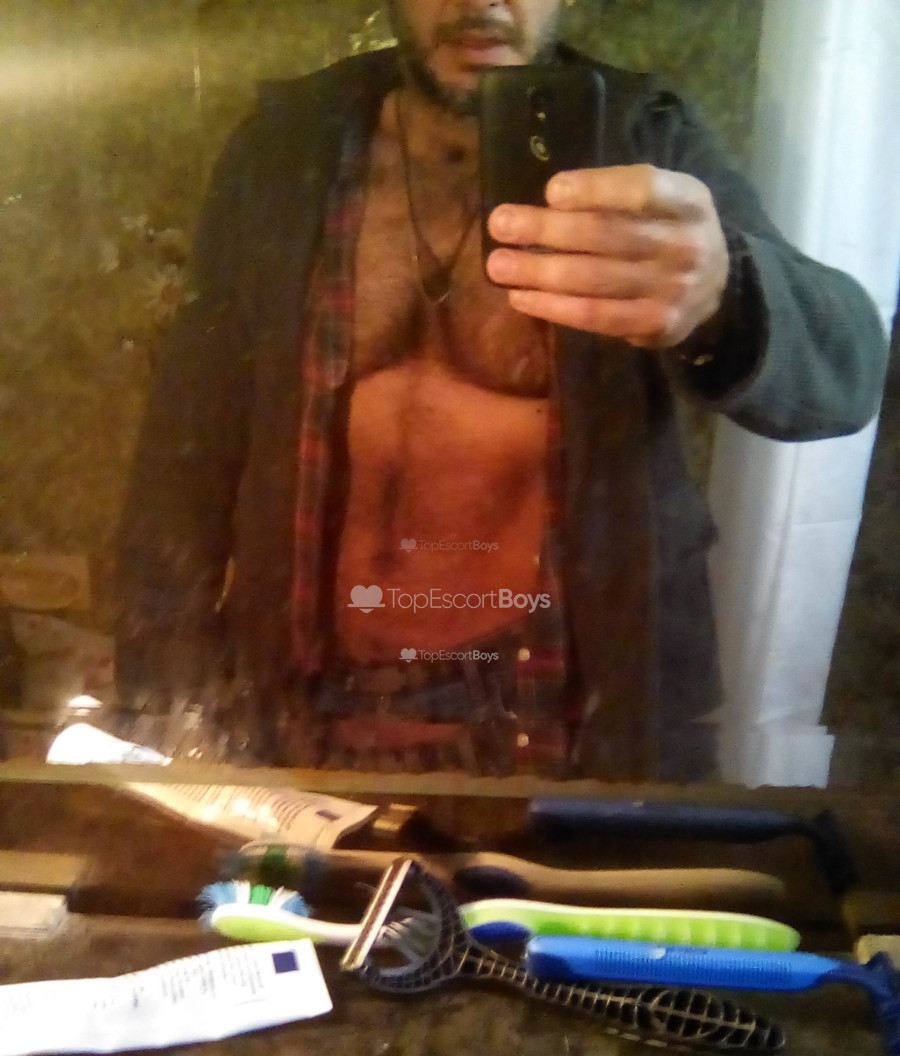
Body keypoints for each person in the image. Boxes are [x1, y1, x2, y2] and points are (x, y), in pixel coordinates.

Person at [115, 0, 887, 781]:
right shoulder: (285, 150)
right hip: (300, 714)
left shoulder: (641, 139)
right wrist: (160, 685)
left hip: (559, 720)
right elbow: (187, 444)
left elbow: (849, 370)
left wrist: (725, 293)